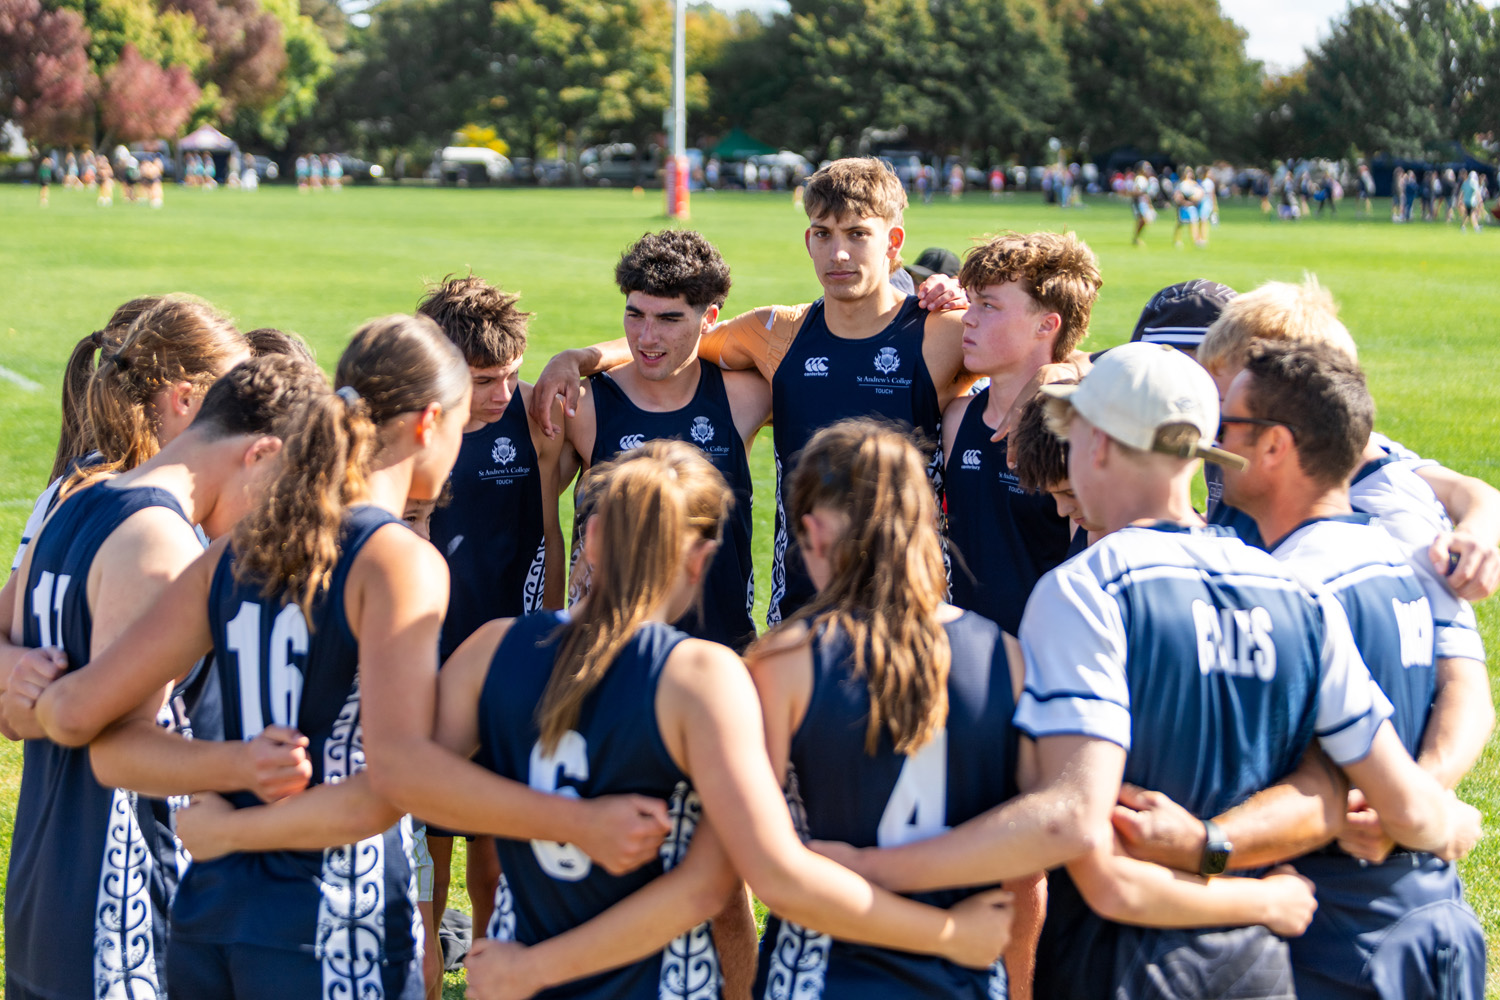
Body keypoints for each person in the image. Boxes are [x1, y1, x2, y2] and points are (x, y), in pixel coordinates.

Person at [822, 343, 1477, 1000]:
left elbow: (1069, 818)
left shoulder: (1087, 590)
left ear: (1098, 444)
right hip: (1259, 964)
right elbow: (1387, 800)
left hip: (1121, 965)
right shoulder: (1296, 594)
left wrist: (869, 867)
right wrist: (1450, 827)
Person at [438, 440, 1014, 1000]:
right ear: (700, 558)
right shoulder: (703, 678)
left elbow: (411, 779)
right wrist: (950, 934)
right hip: (657, 982)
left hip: (514, 970)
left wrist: (548, 840)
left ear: (589, 538)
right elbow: (711, 885)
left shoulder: (491, 648)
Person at [1115, 342, 1489, 1000]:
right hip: (1431, 913)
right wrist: (1434, 815)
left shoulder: (1289, 588)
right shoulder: (1405, 555)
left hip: (1336, 933)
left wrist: (1200, 843)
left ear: (1274, 447)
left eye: (1227, 425)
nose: (1213, 442)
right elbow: (1464, 689)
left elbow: (1303, 788)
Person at [0, 354, 324, 1000]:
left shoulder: (71, 503)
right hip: (118, 917)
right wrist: (246, 765)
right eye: (287, 488)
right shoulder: (163, 546)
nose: (280, 519)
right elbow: (119, 746)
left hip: (42, 895)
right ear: (260, 453)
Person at [530, 158, 974, 627]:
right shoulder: (777, 333)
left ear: (894, 242)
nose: (838, 254)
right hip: (800, 612)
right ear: (808, 241)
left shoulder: (945, 333)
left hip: (912, 609)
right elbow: (676, 342)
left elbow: (1037, 355)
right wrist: (581, 358)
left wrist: (963, 293)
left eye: (857, 234)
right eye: (823, 233)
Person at [748, 419, 1037, 998]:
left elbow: (772, 870)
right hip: (964, 980)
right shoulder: (1008, 656)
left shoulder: (781, 664)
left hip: (819, 978)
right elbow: (1026, 874)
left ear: (811, 531)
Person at [415, 274, 568, 985]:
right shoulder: (401, 429)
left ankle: (487, 968)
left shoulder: (537, 419)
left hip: (511, 659)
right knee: (427, 839)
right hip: (421, 662)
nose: (502, 393)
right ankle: (418, 970)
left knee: (496, 835)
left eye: (510, 374)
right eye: (483, 380)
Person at [1197, 278, 1500, 600]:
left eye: (1226, 416)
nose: (1219, 435)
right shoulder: (1291, 468)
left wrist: (1474, 537)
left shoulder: (1388, 522)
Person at [557, 230, 768, 652]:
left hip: (722, 651)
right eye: (635, 315)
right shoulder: (582, 408)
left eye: (670, 319)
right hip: (608, 657)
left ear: (709, 319)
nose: (646, 338)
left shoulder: (747, 397)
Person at [941, 231, 1101, 635]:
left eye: (989, 306)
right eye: (971, 302)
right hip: (960, 660)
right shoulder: (957, 418)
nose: (969, 317)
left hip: (1042, 662)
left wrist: (1071, 370)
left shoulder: (1075, 432)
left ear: (1046, 325)